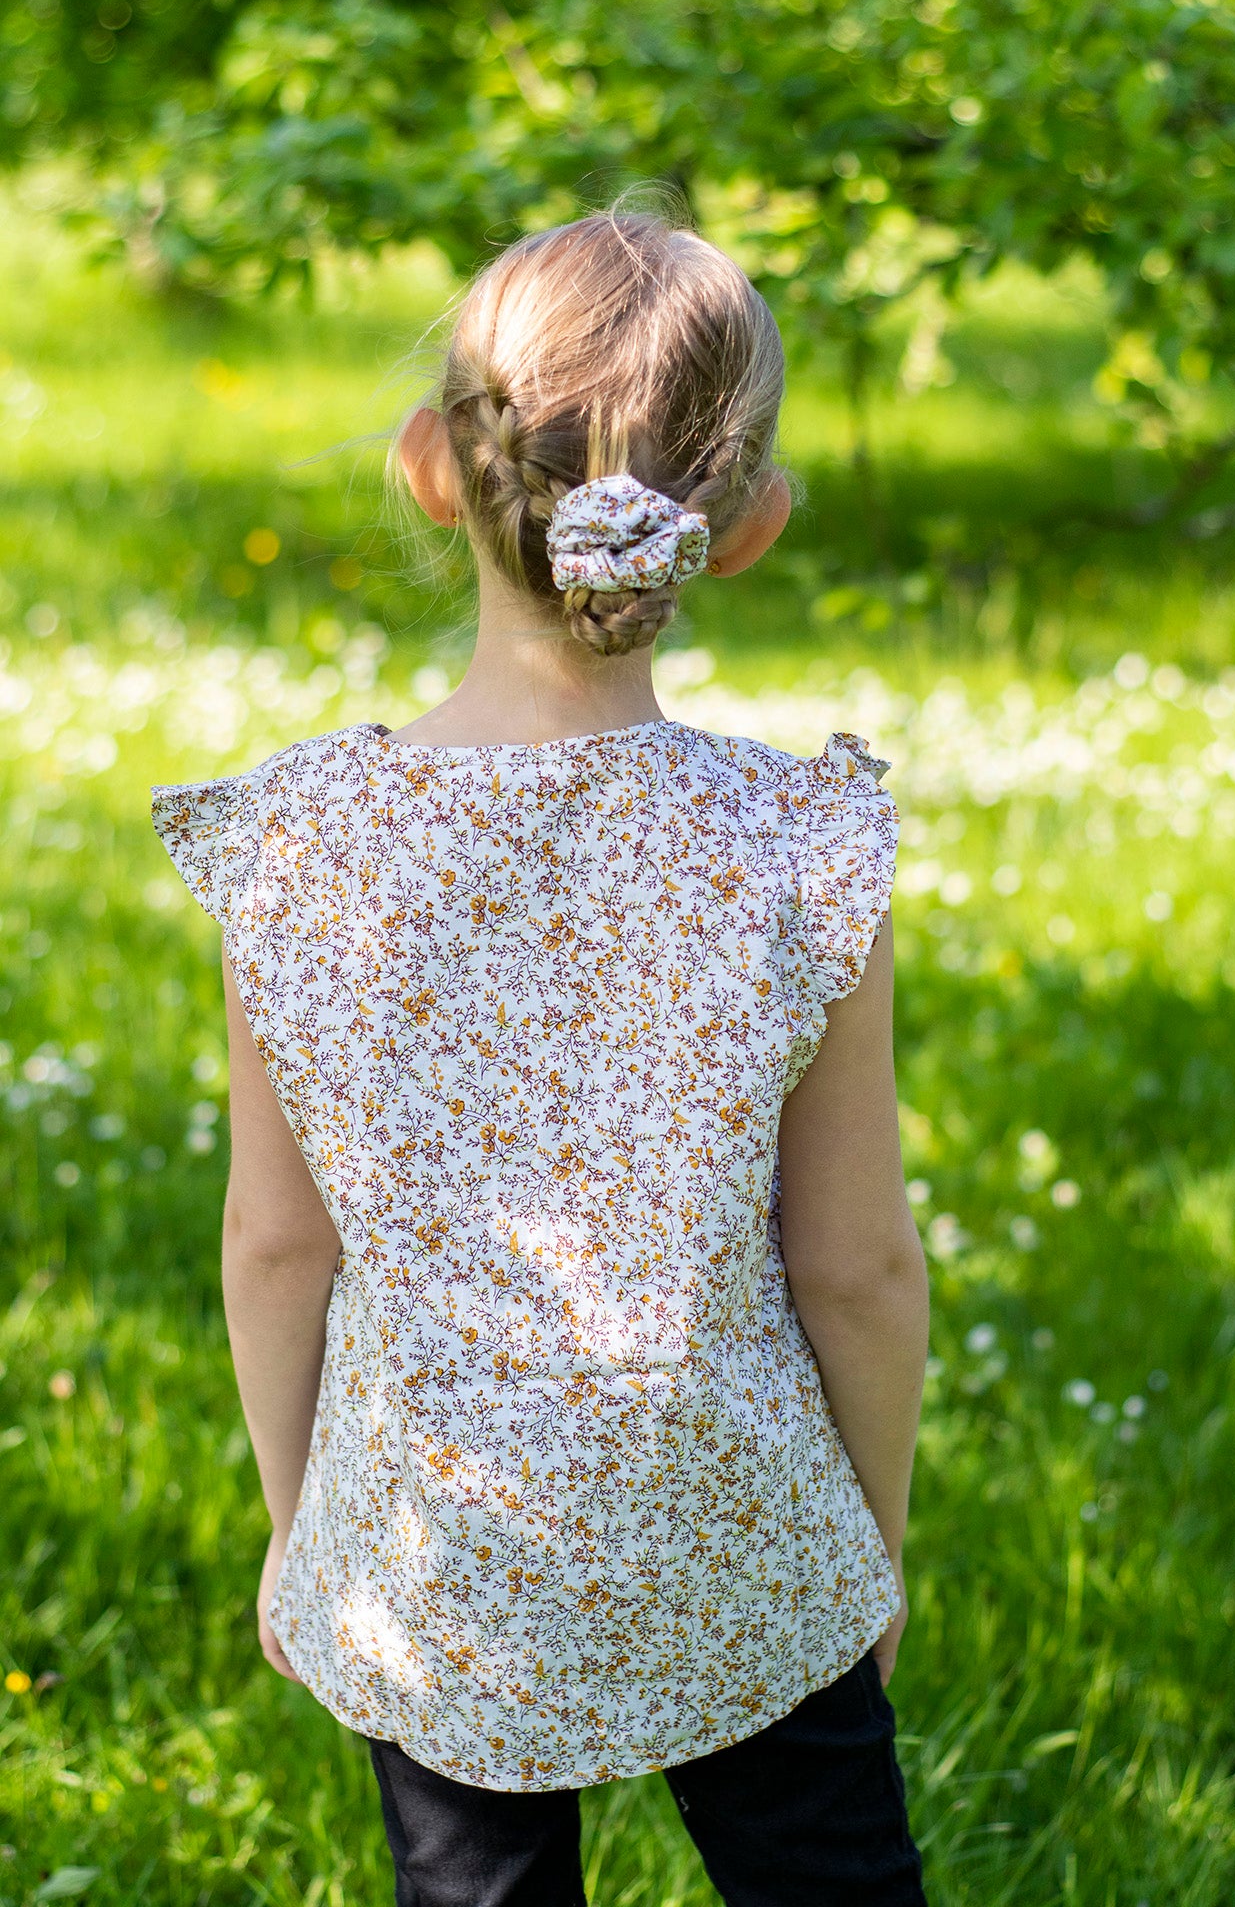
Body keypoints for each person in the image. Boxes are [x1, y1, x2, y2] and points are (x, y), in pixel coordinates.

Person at [151, 210, 931, 1906]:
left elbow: (279, 1242)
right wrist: (860, 1550)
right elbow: (855, 1267)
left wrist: (309, 1532)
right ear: (747, 526)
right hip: (736, 1521)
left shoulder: (300, 845)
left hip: (438, 1539)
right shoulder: (796, 844)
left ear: (433, 465)